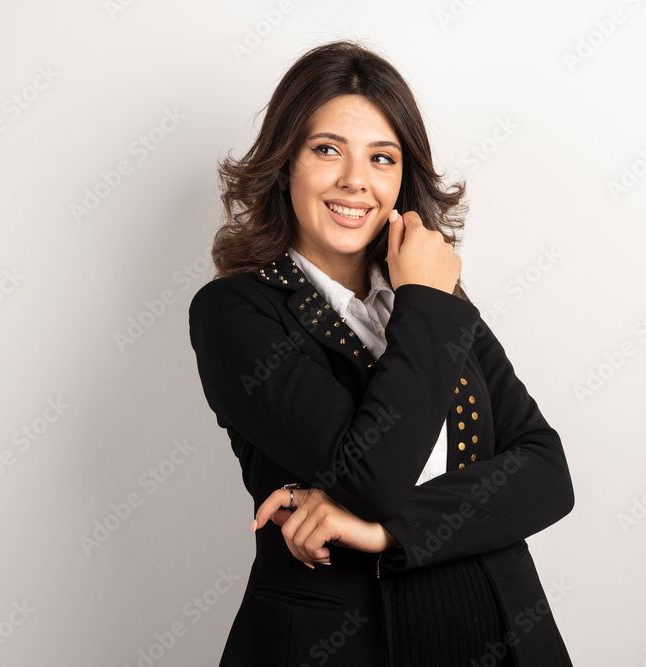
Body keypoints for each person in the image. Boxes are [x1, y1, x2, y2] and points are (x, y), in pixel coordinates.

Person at [188, 39, 575, 667]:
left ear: (402, 179)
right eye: (327, 149)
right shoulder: (234, 313)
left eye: (382, 157)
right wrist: (424, 300)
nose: (355, 180)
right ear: (285, 165)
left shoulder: (435, 300)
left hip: (499, 624)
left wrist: (382, 532)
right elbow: (370, 477)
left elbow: (546, 473)